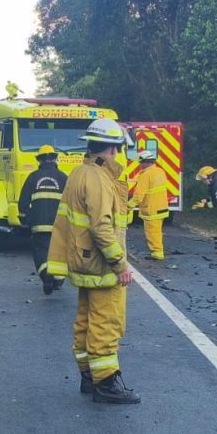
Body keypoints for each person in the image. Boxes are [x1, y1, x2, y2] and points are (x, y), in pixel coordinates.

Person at [46, 118, 140, 404]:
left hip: (84, 260)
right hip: (101, 264)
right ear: (112, 149)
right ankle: (107, 383)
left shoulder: (79, 172)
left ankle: (89, 376)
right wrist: (120, 265)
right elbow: (102, 227)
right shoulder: (99, 179)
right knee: (106, 321)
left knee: (86, 321)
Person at [19, 145, 68, 294]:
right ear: (55, 159)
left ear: (39, 160)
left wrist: (25, 219)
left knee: (41, 252)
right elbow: (72, 201)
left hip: (39, 226)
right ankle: (58, 280)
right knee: (59, 253)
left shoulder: (33, 177)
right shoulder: (63, 177)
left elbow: (23, 202)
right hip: (59, 226)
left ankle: (46, 278)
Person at [130, 148, 171, 260]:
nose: (140, 165)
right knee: (157, 231)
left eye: (141, 162)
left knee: (152, 233)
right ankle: (157, 252)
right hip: (161, 207)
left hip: (151, 209)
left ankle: (157, 254)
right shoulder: (160, 171)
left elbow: (139, 195)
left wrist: (128, 206)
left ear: (146, 162)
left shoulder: (145, 175)